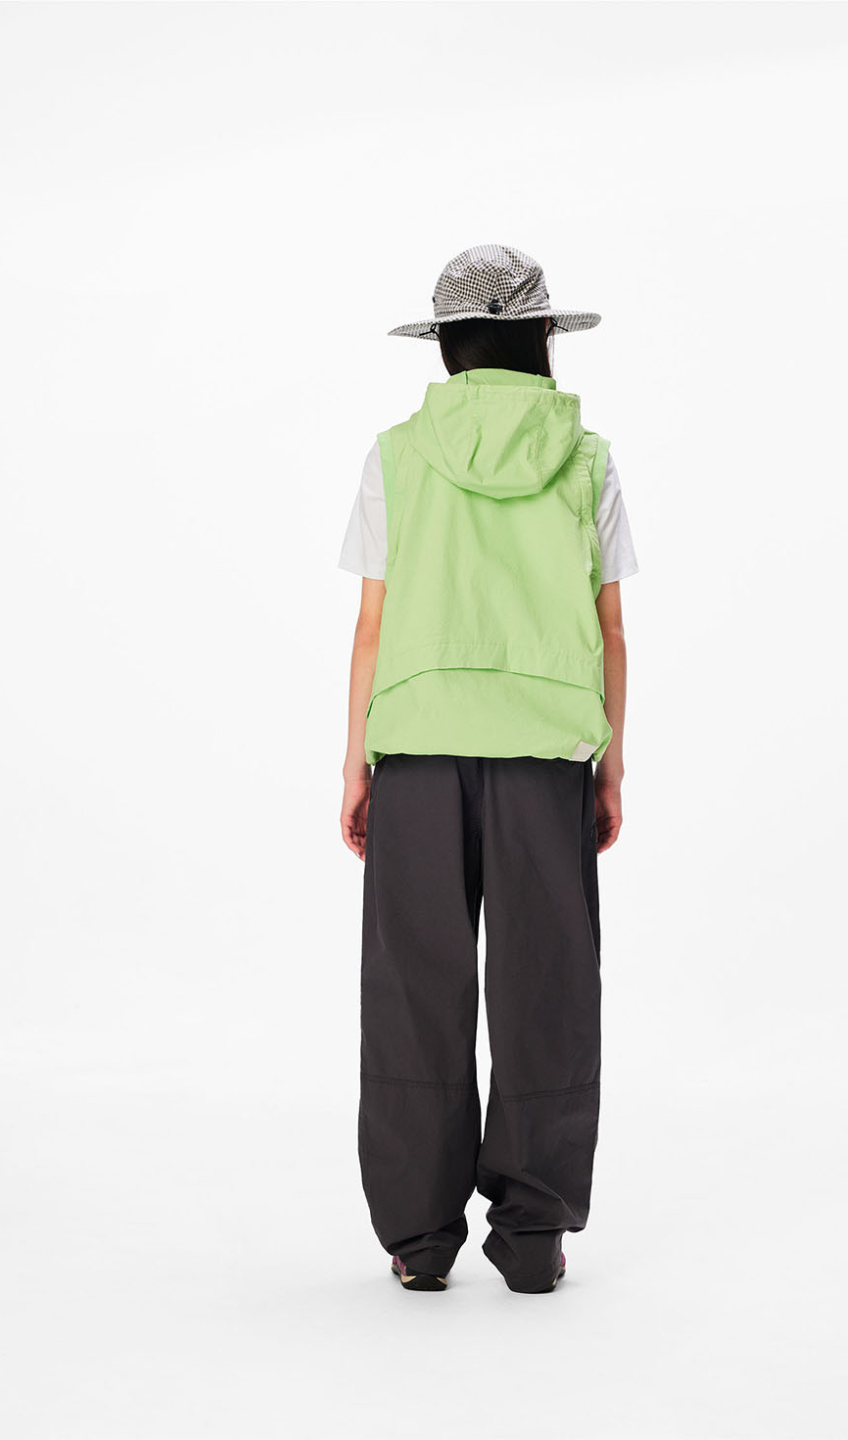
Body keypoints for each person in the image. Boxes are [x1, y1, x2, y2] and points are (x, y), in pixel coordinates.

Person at [337, 243, 639, 1295]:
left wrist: (356, 763)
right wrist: (610, 765)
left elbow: (372, 625)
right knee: (545, 987)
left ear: (447, 347)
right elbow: (609, 627)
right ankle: (534, 1233)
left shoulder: (396, 455)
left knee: (414, 991)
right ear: (542, 338)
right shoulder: (588, 458)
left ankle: (419, 1241)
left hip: (417, 746)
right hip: (548, 749)